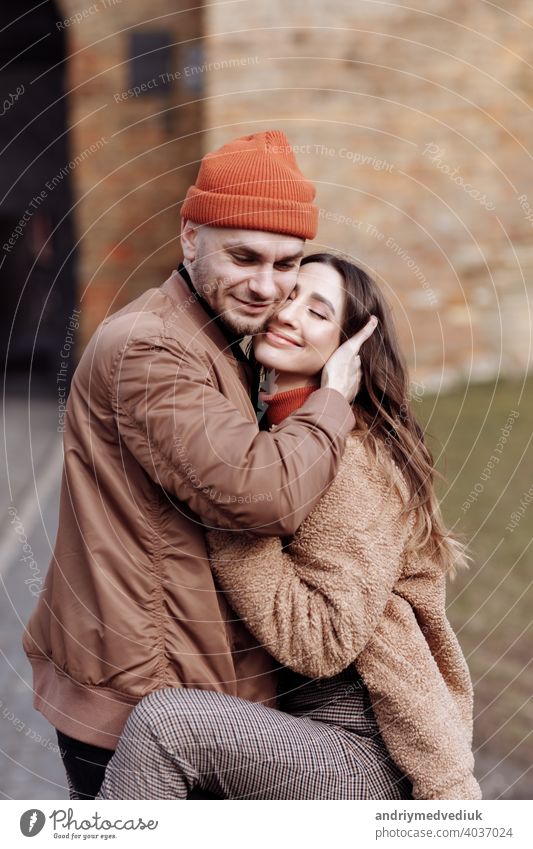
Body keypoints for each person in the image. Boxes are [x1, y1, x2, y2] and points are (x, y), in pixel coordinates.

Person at [22, 131, 376, 800]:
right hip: (141, 709)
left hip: (182, 693)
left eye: (285, 263)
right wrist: (332, 400)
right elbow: (260, 491)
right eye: (244, 256)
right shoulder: (151, 347)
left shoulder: (214, 338)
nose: (266, 285)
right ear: (191, 237)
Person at [97, 255, 481, 800]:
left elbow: (323, 643)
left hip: (363, 753)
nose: (289, 314)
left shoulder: (351, 462)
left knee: (168, 726)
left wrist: (229, 508)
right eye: (290, 295)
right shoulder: (277, 434)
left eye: (318, 312)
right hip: (305, 731)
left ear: (349, 352)